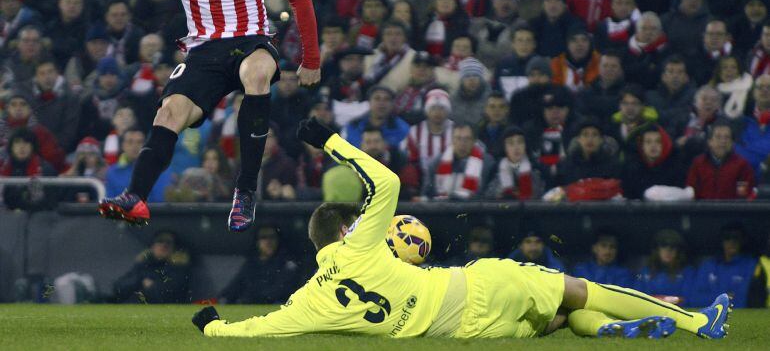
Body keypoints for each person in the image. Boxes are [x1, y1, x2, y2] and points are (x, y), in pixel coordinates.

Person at [194, 117, 733, 340]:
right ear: (343, 230)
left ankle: (616, 333)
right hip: (476, 284)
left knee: (566, 320)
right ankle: (695, 322)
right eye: (355, 221)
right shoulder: (360, 241)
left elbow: (257, 330)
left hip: (468, 334)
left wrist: (213, 326)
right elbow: (385, 183)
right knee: (582, 289)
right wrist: (331, 141)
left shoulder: (309, 300)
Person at [96, 0, 321, 232]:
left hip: (252, 39)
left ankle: (245, 192)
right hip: (204, 50)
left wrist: (311, 60)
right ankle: (135, 197)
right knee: (169, 112)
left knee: (258, 73)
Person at [220, 225, 300, 304]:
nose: (268, 241)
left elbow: (279, 292)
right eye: (264, 237)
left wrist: (250, 297)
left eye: (272, 237)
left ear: (278, 240)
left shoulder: (287, 264)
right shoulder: (251, 265)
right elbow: (233, 288)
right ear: (257, 242)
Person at [112, 230, 191, 304]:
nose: (164, 245)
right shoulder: (143, 265)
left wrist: (152, 286)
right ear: (152, 246)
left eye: (169, 242)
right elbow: (119, 287)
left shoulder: (178, 267)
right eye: (160, 241)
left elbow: (171, 294)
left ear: (174, 248)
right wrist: (140, 280)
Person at [691, 224, 758, 308]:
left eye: (736, 238)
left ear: (743, 240)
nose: (732, 241)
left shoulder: (751, 265)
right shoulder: (708, 265)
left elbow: (743, 299)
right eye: (727, 238)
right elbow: (695, 299)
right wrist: (725, 297)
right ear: (721, 241)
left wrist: (715, 297)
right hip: (709, 315)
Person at [423, 123, 495, 200]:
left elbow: (489, 196)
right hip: (441, 208)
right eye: (458, 138)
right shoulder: (436, 163)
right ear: (452, 139)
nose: (462, 143)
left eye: (467, 139)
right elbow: (427, 194)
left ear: (474, 141)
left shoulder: (487, 163)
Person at [686, 122, 755, 200]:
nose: (723, 141)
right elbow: (691, 192)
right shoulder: (698, 163)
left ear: (732, 143)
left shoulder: (742, 165)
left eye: (727, 137)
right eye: (718, 137)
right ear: (710, 142)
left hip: (732, 210)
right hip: (703, 210)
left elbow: (744, 195)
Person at [635, 229, 697, 306]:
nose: (668, 250)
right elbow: (637, 297)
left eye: (673, 246)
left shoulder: (688, 272)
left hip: (678, 314)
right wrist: (670, 299)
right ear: (657, 249)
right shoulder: (645, 272)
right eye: (664, 245)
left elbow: (690, 299)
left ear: (678, 251)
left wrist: (659, 299)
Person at [490, 126, 545, 200]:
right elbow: (489, 195)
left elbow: (541, 195)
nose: (516, 147)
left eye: (520, 142)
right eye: (511, 143)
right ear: (504, 148)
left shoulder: (535, 168)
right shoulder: (496, 169)